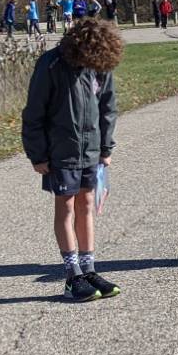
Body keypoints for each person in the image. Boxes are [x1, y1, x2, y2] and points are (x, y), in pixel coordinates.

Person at [22, 16, 123, 300]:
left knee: (87, 204)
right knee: (65, 207)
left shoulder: (98, 64)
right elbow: (33, 114)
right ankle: (72, 274)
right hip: (60, 152)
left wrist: (105, 148)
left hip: (90, 150)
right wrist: (37, 154)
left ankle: (89, 268)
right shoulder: (51, 64)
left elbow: (107, 108)